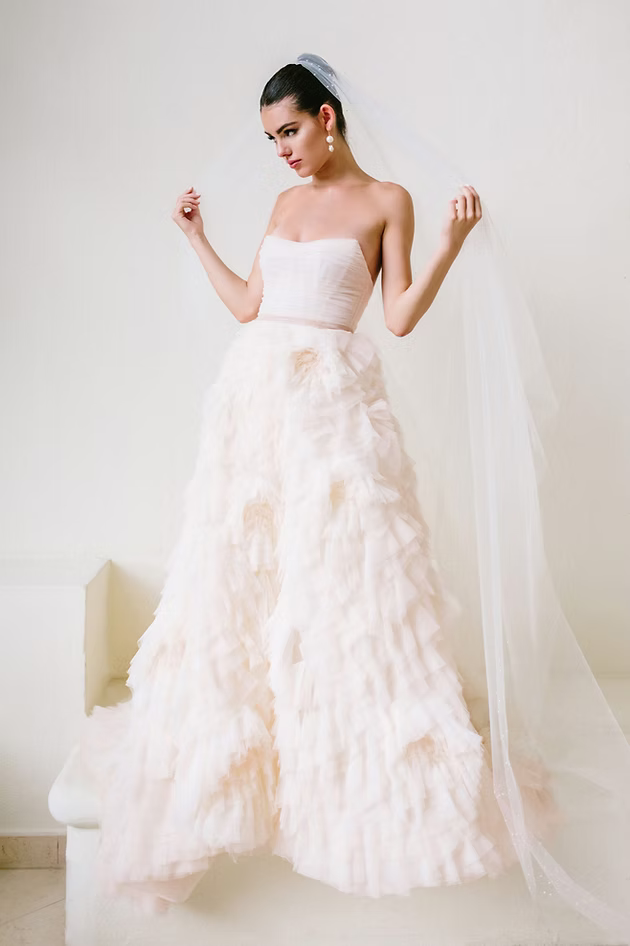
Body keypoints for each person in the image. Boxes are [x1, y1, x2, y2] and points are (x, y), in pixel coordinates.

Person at [75, 55, 630, 939]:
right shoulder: (283, 206)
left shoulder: (388, 201)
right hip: (254, 411)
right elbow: (254, 307)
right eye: (271, 140)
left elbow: (398, 314)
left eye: (290, 131)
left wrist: (450, 241)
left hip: (333, 416)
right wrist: (194, 238)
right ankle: (240, 770)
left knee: (341, 590)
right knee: (240, 584)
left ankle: (343, 776)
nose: (282, 152)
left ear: (328, 118)